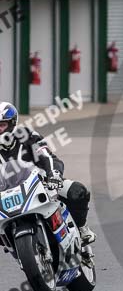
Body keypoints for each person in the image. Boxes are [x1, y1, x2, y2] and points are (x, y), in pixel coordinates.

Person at [0, 102, 96, 245]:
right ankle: (17, 247)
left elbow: (46, 156)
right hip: (6, 194)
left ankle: (82, 228)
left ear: (13, 123)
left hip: (41, 182)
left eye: (2, 125)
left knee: (77, 191)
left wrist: (54, 174)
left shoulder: (27, 136)